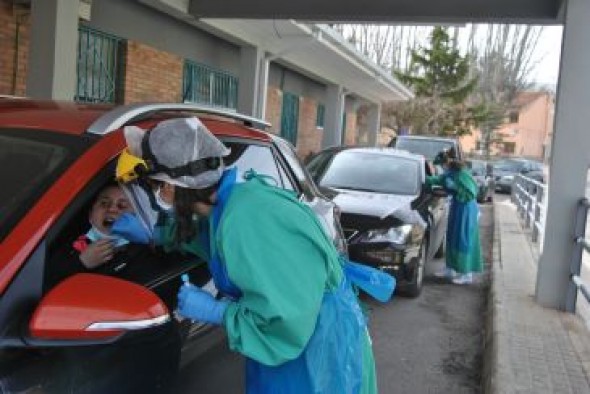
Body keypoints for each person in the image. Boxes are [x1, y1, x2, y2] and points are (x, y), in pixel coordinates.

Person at [117, 117, 380, 394]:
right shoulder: (232, 204)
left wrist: (218, 312)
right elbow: (210, 235)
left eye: (156, 186)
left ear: (170, 187)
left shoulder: (249, 219)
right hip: (303, 343)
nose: (157, 194)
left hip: (315, 357)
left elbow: (286, 323)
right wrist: (158, 235)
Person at [428, 150, 483, 284]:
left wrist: (456, 187)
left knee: (463, 238)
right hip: (457, 207)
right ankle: (450, 268)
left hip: (466, 209)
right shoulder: (449, 174)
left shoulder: (462, 174)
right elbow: (437, 179)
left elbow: (472, 192)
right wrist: (424, 179)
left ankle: (466, 273)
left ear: (449, 162)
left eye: (442, 164)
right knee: (452, 236)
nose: (442, 167)